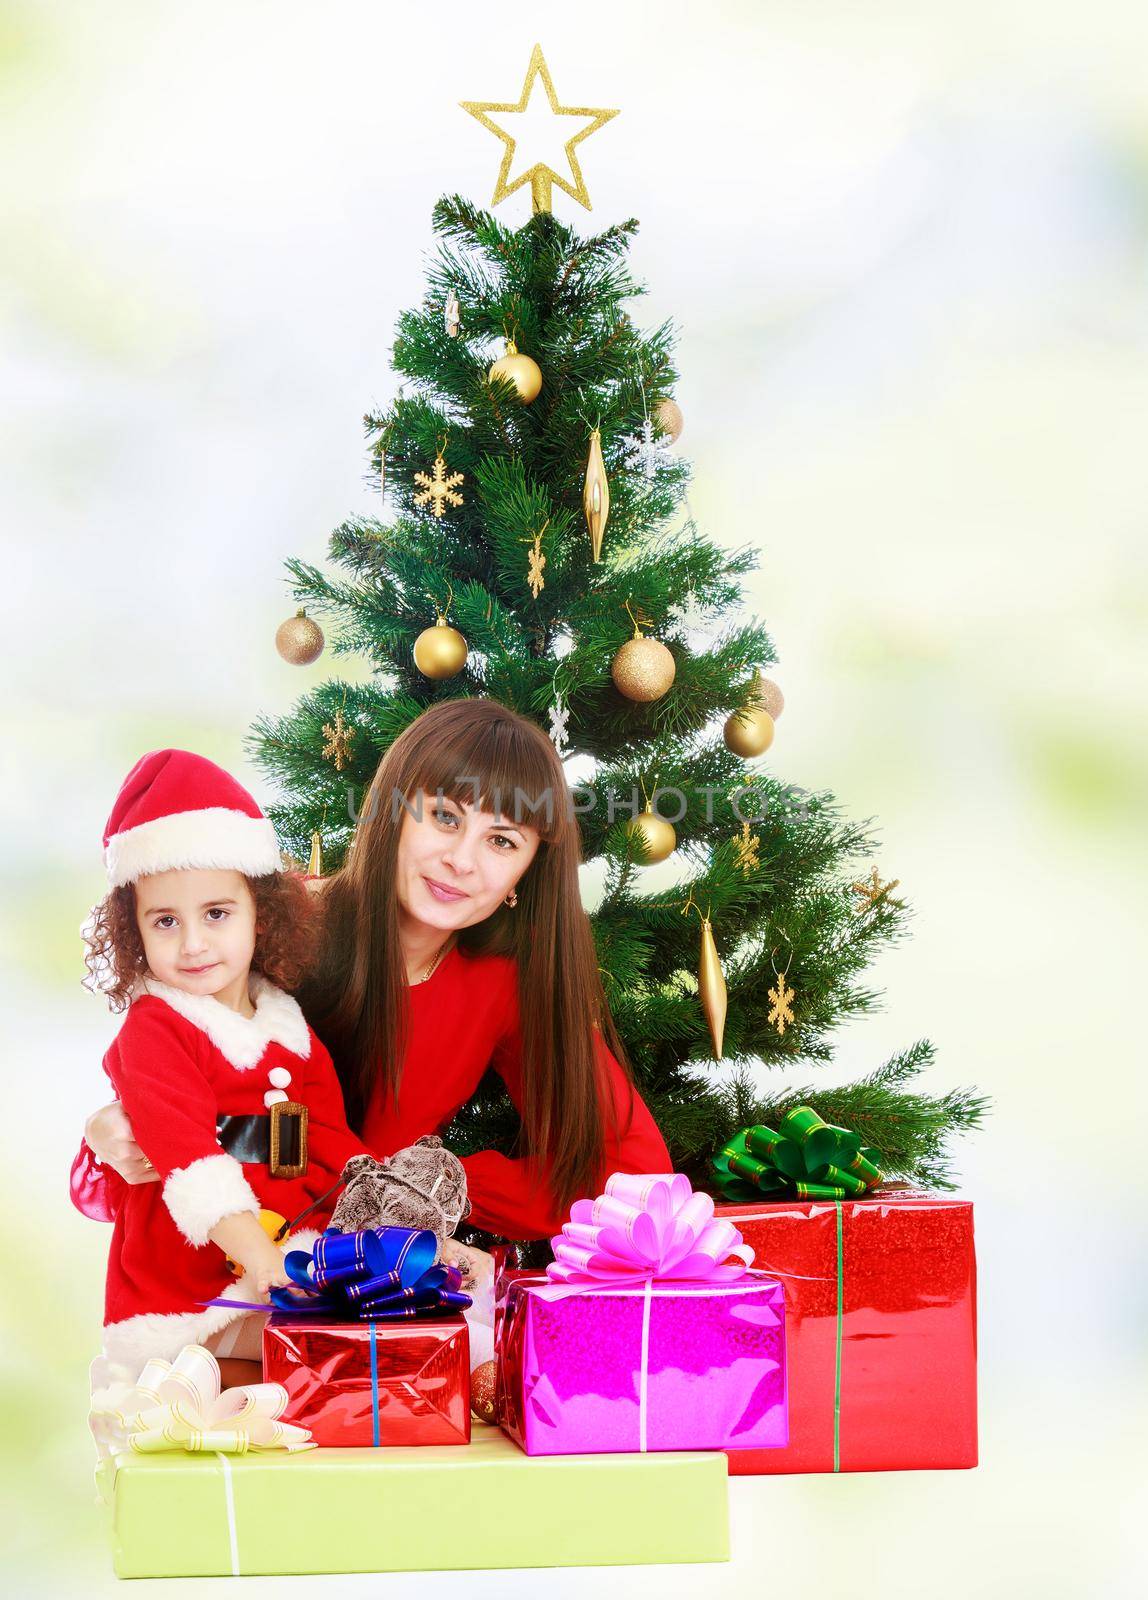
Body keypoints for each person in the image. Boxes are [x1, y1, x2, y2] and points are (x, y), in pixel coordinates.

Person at [76, 699, 672, 1265]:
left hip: (368, 1279)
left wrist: (442, 1183)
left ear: (526, 871)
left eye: (501, 841)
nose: (462, 861)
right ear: (393, 812)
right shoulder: (274, 930)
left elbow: (636, 1171)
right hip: (214, 1269)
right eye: (443, 817)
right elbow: (160, 1070)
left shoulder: (504, 985)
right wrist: (109, 1132)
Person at [82, 749, 368, 1383]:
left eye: (216, 914)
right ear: (134, 933)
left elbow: (333, 1147)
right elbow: (188, 1156)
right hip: (190, 1277)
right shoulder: (155, 1026)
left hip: (287, 1254)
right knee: (298, 1363)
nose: (192, 944)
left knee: (339, 1353)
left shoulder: (291, 1030)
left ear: (259, 915)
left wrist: (360, 1231)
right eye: (165, 922)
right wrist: (265, 1262)